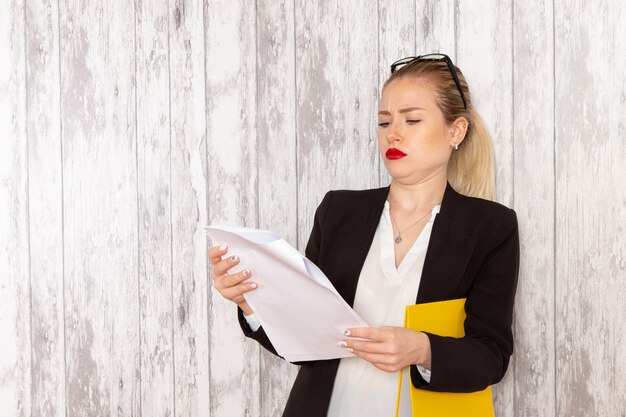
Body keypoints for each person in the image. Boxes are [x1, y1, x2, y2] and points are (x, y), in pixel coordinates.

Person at [209, 53, 520, 417]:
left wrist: (422, 349)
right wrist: (251, 303)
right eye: (384, 121)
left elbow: (491, 356)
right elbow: (305, 338)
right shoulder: (338, 212)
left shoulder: (490, 227)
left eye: (413, 119)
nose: (394, 133)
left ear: (457, 131)